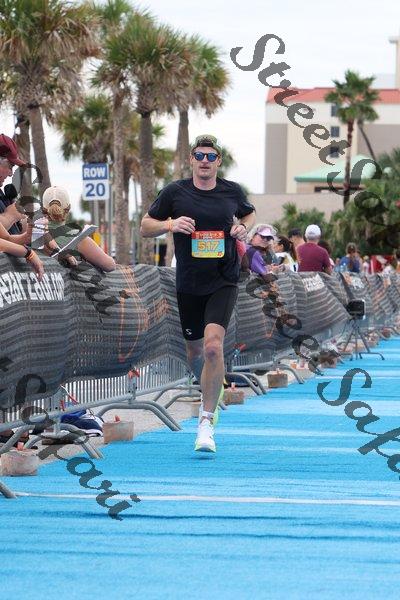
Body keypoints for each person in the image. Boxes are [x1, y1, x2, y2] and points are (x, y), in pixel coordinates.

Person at [140, 133, 255, 453]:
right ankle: (211, 390)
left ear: (219, 161)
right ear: (191, 159)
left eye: (211, 156)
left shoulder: (232, 191)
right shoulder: (175, 192)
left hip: (223, 279)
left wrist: (243, 227)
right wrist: (170, 225)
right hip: (189, 282)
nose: (205, 161)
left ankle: (206, 422)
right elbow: (145, 226)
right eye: (200, 156)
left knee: (214, 348)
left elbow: (248, 213)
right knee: (194, 354)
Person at [41, 186, 116, 272]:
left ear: (43, 209)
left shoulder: (31, 235)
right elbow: (109, 265)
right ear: (68, 208)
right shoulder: (78, 238)